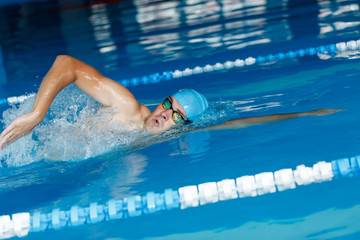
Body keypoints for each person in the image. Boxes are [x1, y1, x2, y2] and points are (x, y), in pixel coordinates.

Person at [0, 55, 340, 149]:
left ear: (186, 129)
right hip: (23, 140)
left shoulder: (157, 140)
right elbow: (66, 64)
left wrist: (307, 113)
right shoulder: (129, 110)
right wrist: (36, 114)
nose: (165, 114)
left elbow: (236, 124)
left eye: (177, 116)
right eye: (168, 104)